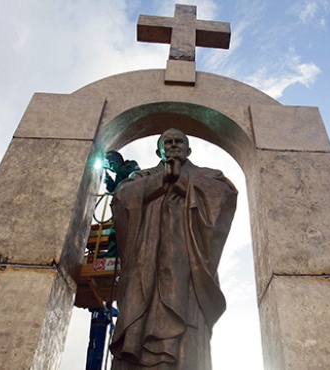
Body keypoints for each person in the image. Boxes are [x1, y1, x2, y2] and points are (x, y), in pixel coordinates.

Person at [109, 129, 238, 369]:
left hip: (188, 272)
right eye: (167, 142)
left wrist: (182, 181)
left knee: (187, 339)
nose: (173, 145)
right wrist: (161, 181)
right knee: (138, 329)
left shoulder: (208, 176)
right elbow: (120, 199)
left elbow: (225, 196)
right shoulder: (141, 177)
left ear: (189, 150)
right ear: (158, 150)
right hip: (145, 270)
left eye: (179, 141)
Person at [102, 151, 139, 257]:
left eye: (112, 161)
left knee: (128, 232)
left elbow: (128, 172)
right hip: (119, 206)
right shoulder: (119, 175)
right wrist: (108, 181)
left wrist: (111, 165)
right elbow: (113, 189)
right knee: (116, 232)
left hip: (131, 204)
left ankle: (129, 257)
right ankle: (112, 256)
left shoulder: (131, 164)